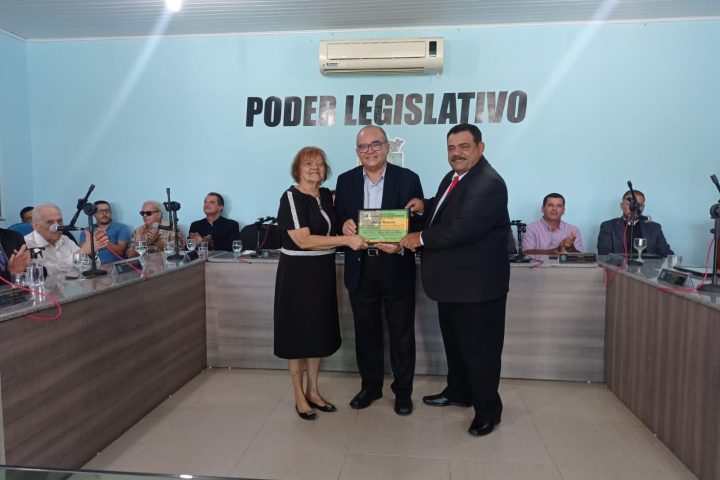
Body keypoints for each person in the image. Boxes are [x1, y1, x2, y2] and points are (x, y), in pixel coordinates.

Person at [400, 123, 510, 437]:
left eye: (464, 146)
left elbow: (464, 227)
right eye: (451, 148)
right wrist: (426, 204)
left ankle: (488, 411)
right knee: (457, 345)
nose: (456, 153)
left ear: (480, 148)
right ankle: (459, 391)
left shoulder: (488, 183)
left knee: (480, 351)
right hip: (452, 284)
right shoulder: (454, 177)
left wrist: (420, 238)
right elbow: (447, 209)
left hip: (478, 288)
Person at [335, 125, 424, 416]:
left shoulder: (408, 179)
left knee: (401, 333)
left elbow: (418, 223)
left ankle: (403, 391)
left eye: (376, 144)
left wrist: (401, 244)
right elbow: (339, 218)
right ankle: (370, 387)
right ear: (357, 152)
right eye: (363, 147)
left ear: (387, 147)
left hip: (396, 265)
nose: (370, 151)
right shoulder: (345, 180)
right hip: (360, 267)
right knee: (366, 333)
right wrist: (344, 225)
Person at [274, 146, 367, 421]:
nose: (315, 168)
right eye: (308, 164)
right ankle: (299, 395)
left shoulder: (326, 196)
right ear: (297, 169)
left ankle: (313, 391)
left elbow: (335, 225)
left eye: (319, 164)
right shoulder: (291, 197)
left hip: (322, 272)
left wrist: (347, 225)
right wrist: (346, 239)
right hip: (297, 274)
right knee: (297, 334)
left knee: (316, 332)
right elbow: (303, 240)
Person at [24, 203, 109, 277]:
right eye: (50, 222)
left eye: (59, 221)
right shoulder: (26, 244)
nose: (57, 226)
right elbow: (47, 272)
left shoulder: (65, 239)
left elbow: (88, 267)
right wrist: (82, 252)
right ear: (36, 226)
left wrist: (91, 253)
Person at [597, 190, 674, 256]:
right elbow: (604, 254)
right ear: (621, 206)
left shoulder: (654, 228)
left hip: (648, 268)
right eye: (630, 204)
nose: (634, 208)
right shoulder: (608, 226)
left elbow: (666, 253)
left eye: (639, 205)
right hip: (619, 268)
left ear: (643, 207)